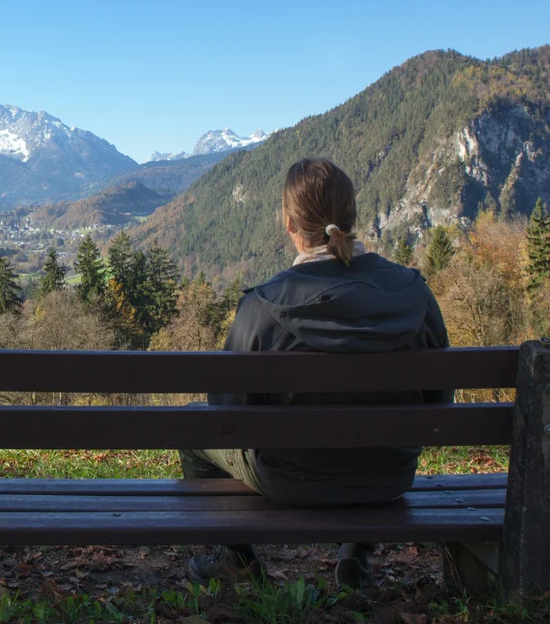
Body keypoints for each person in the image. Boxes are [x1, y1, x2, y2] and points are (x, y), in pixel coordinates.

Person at [180, 157, 451, 590]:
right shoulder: (413, 293)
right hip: (389, 474)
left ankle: (236, 558)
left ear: (289, 224)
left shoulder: (265, 304)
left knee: (194, 427)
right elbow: (440, 402)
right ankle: (356, 552)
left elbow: (224, 415)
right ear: (352, 218)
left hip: (290, 479)